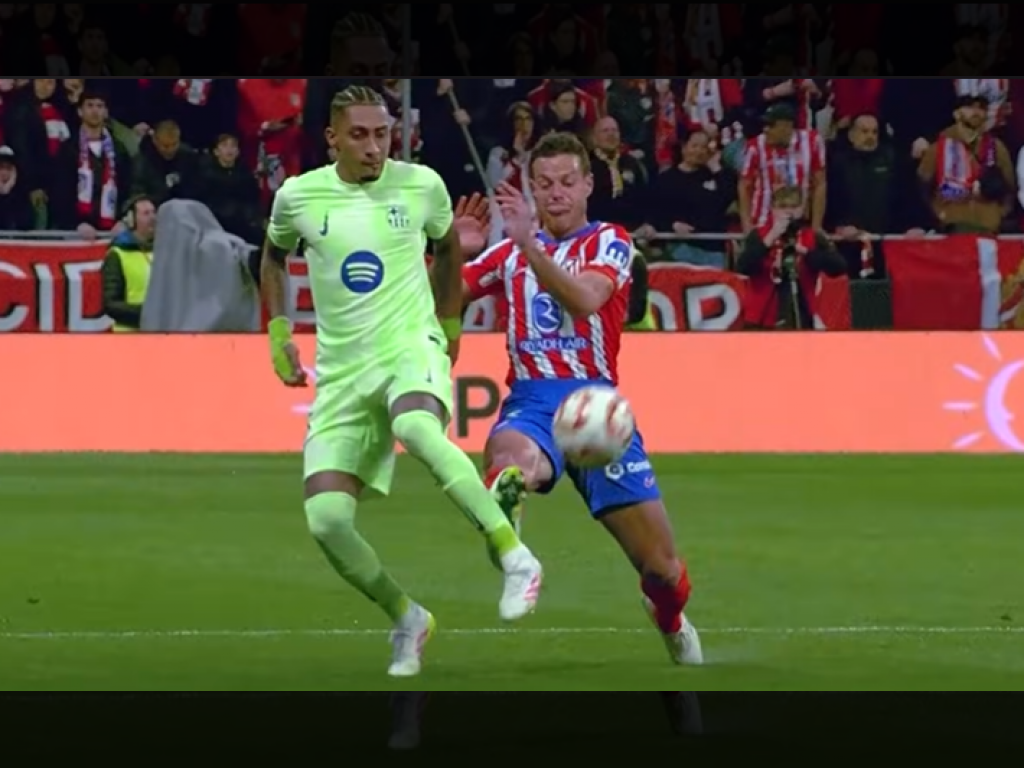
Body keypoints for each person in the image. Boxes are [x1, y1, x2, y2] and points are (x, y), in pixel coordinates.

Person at [258, 85, 543, 679]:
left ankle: (512, 554)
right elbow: (272, 255)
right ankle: (407, 617)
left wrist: (448, 322)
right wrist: (279, 331)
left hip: (409, 344)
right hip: (342, 372)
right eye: (359, 135)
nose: (373, 147)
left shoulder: (422, 185)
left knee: (416, 425)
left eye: (382, 134)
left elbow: (445, 247)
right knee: (327, 521)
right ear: (332, 138)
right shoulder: (298, 196)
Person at [461, 132, 702, 666]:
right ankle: (514, 549)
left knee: (661, 570)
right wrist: (450, 250)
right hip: (534, 400)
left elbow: (587, 299)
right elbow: (438, 302)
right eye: (544, 184)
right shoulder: (505, 254)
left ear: (588, 184)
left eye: (568, 182)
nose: (556, 194)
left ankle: (669, 617)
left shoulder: (610, 242)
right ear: (531, 189)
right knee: (508, 462)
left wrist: (527, 244)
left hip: (598, 411)